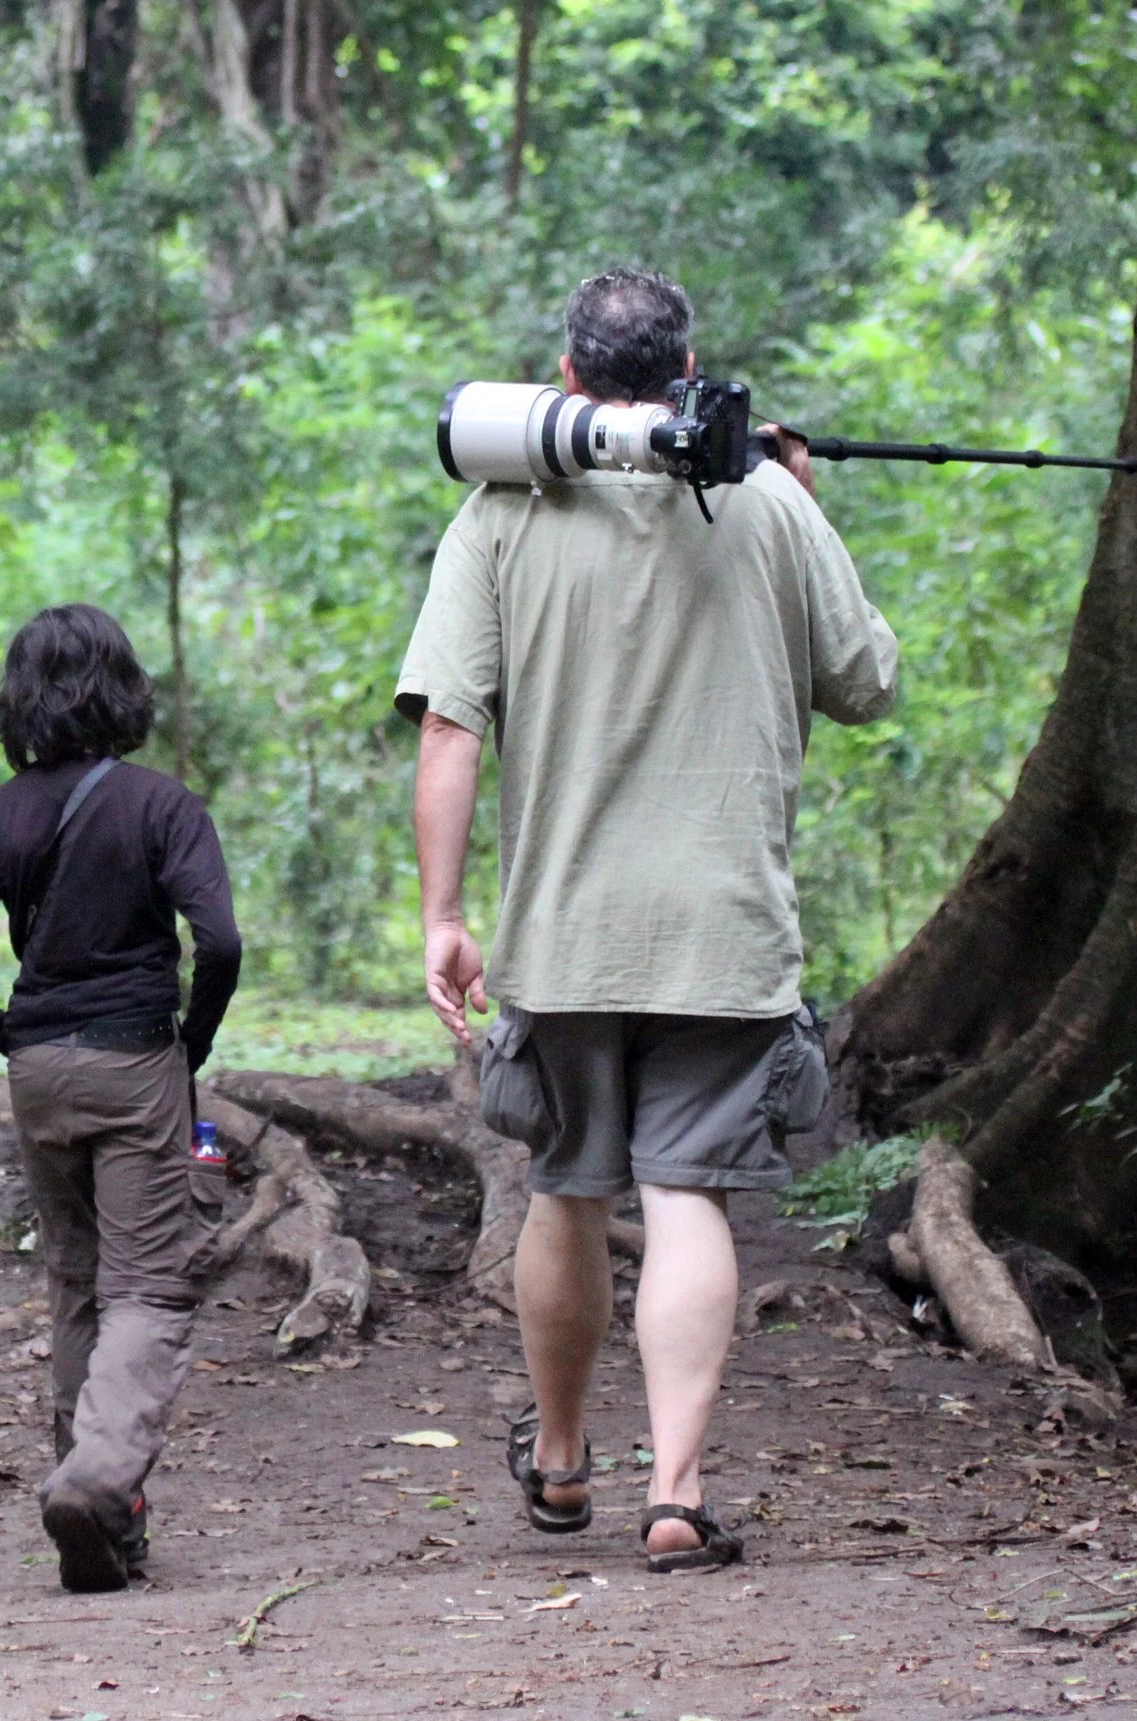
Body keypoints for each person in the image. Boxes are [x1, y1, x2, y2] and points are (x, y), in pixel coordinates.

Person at [399, 268, 898, 1573]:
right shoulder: (770, 505)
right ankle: (674, 1495)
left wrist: (444, 913)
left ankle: (562, 1468)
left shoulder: (501, 506)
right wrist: (798, 498)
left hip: (564, 929)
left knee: (566, 1189)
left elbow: (451, 726)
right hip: (724, 931)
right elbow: (868, 680)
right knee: (686, 1198)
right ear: (688, 376)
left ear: (564, 379)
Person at [0, 604, 242, 1594]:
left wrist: (4, 1031)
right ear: (122, 691)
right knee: (148, 1287)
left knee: (75, 1283)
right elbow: (217, 941)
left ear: (18, 703)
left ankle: (107, 1517)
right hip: (134, 1057)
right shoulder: (161, 804)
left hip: (39, 1071)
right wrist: (193, 1039)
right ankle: (96, 1479)